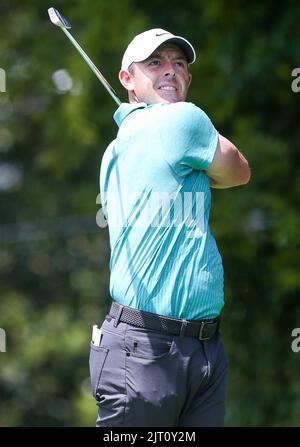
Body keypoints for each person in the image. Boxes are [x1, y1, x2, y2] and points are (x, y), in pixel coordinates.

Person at [89, 28, 251, 427]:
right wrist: (204, 165)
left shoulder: (115, 147)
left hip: (198, 346)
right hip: (147, 349)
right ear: (127, 80)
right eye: (155, 62)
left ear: (189, 79)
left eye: (179, 63)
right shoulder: (186, 119)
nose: (170, 70)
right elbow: (239, 171)